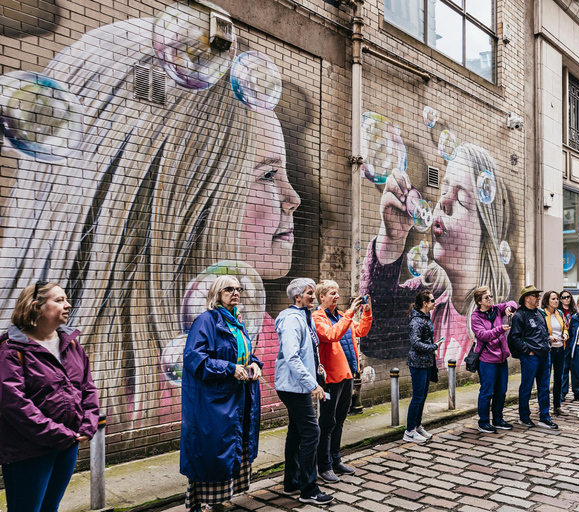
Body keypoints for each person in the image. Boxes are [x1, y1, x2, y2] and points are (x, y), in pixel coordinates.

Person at [0, 9, 303, 424]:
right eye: (268, 174)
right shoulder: (48, 360)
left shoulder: (252, 333)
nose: (294, 198)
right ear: (182, 198)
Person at [361, 143, 513, 368]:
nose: (443, 203)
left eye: (461, 198)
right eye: (443, 191)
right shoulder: (428, 294)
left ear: (485, 232)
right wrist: (391, 241)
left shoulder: (498, 314)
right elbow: (374, 337)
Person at [0, 281, 100, 512]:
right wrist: (60, 434)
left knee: (50, 507)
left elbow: (88, 388)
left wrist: (87, 426)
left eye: (66, 299)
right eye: (59, 300)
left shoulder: (72, 344)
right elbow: (15, 404)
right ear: (36, 307)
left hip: (68, 445)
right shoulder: (12, 350)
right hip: (29, 450)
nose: (68, 305)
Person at [181, 275, 263, 512]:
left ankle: (219, 503)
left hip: (238, 398)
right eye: (229, 289)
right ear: (217, 294)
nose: (235, 293)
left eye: (238, 289)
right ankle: (200, 504)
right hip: (214, 401)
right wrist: (228, 369)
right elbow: (194, 359)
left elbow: (244, 352)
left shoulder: (236, 321)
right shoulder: (206, 321)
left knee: (231, 449)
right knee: (211, 452)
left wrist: (255, 363)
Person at [275, 279, 333, 505]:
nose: (313, 296)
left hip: (297, 384)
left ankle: (292, 482)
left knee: (298, 432)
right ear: (297, 297)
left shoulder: (303, 316)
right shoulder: (292, 320)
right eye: (309, 293)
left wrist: (317, 368)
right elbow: (291, 357)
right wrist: (313, 384)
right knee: (312, 432)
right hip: (293, 386)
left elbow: (306, 351)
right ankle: (308, 489)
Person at [312, 281, 372, 483]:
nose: (337, 296)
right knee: (327, 423)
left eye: (338, 293)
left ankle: (336, 460)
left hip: (347, 375)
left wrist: (366, 313)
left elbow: (361, 331)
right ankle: (324, 465)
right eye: (333, 293)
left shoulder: (339, 316)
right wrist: (349, 314)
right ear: (322, 297)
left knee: (339, 421)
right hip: (330, 378)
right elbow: (331, 335)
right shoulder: (317, 317)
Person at [508, 286, 558, 429]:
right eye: (535, 295)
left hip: (544, 355)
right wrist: (527, 351)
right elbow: (514, 338)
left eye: (538, 295)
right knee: (527, 387)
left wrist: (548, 341)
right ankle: (524, 417)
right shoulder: (520, 315)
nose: (538, 298)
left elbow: (541, 333)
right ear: (527, 298)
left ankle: (544, 417)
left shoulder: (540, 313)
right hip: (531, 357)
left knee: (544, 388)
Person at [469, 286, 518, 433]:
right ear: (479, 301)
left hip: (501, 358)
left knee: (501, 391)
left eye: (490, 296)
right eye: (486, 297)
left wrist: (509, 308)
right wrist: (500, 329)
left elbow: (514, 303)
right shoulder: (475, 317)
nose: (490, 299)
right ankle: (483, 421)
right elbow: (483, 335)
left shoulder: (496, 309)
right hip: (487, 360)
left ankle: (498, 419)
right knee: (486, 392)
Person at [404, 290, 445, 443]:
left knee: (423, 396)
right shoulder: (416, 321)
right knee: (417, 397)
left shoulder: (425, 318)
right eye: (432, 300)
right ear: (425, 303)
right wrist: (434, 347)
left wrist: (432, 347)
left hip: (427, 362)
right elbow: (415, 343)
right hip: (418, 363)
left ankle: (417, 425)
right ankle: (409, 431)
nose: (435, 303)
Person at [542, 291, 568, 416]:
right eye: (554, 299)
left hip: (560, 349)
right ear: (547, 301)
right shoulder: (542, 314)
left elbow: (565, 328)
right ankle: (544, 406)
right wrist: (549, 337)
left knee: (559, 378)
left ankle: (557, 406)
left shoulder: (560, 313)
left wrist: (565, 334)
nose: (557, 301)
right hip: (549, 349)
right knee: (546, 378)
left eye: (557, 299)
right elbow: (540, 331)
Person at [559, 290, 579, 403]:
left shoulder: (575, 312)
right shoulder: (558, 312)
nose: (566, 299)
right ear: (560, 299)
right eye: (564, 297)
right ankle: (562, 393)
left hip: (574, 344)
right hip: (563, 344)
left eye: (568, 297)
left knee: (576, 369)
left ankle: (578, 393)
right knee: (564, 369)